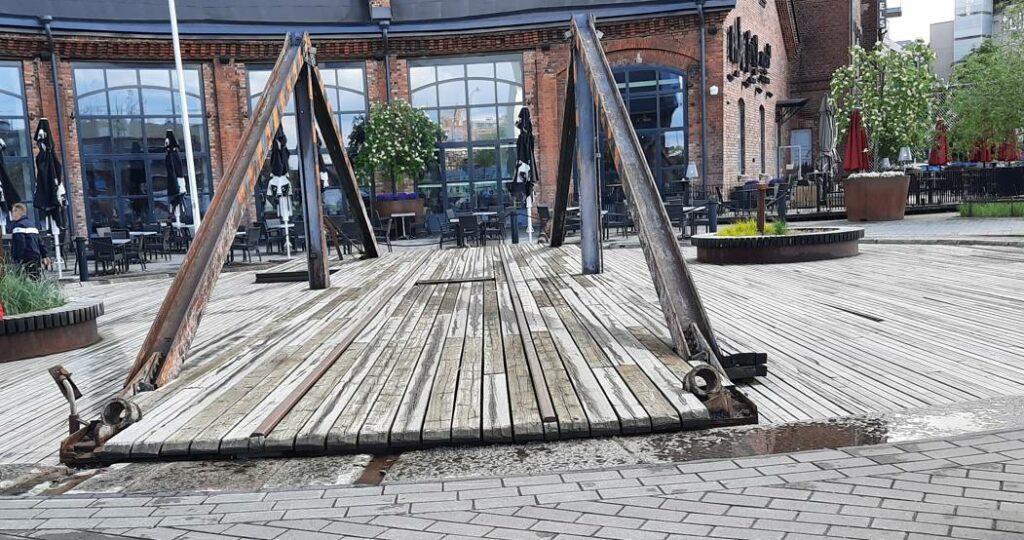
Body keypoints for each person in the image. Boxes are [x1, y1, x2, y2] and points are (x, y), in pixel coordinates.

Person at [8, 203, 49, 279]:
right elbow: (40, 242)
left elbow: (20, 243)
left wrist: (18, 260)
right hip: (35, 256)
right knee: (36, 278)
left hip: (25, 257)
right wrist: (45, 255)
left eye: (13, 211)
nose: (12, 214)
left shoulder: (18, 226)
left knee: (21, 279)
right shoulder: (31, 225)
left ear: (18, 213)